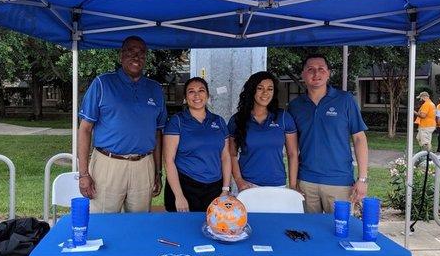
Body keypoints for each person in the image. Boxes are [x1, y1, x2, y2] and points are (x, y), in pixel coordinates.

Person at [77, 36, 167, 213]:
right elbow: (85, 129)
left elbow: (158, 133)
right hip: (108, 164)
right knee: (103, 224)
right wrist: (83, 174)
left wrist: (157, 172)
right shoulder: (102, 83)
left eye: (141, 53)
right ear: (121, 56)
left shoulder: (155, 89)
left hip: (144, 165)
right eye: (131, 52)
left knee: (138, 225)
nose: (136, 57)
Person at [287, 55, 368, 214]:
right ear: (303, 74)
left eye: (321, 69)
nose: (316, 73)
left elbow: (359, 138)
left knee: (339, 232)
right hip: (306, 183)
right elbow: (292, 150)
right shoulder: (295, 106)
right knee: (308, 233)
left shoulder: (345, 100)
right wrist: (293, 183)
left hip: (339, 182)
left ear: (328, 73)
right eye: (310, 69)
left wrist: (362, 179)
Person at [163, 77, 231, 212]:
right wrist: (179, 196)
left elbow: (226, 156)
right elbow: (168, 160)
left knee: (213, 228)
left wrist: (225, 189)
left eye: (201, 90)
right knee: (182, 230)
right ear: (185, 97)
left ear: (207, 95)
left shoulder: (219, 121)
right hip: (185, 186)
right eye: (191, 91)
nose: (197, 95)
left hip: (214, 188)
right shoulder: (177, 121)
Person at [228, 71, 298, 191]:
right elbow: (232, 154)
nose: (265, 93)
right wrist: (239, 181)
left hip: (277, 184)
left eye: (270, 89)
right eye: (260, 88)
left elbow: (292, 154)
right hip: (248, 185)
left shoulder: (283, 117)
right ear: (252, 90)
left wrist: (292, 186)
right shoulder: (237, 120)